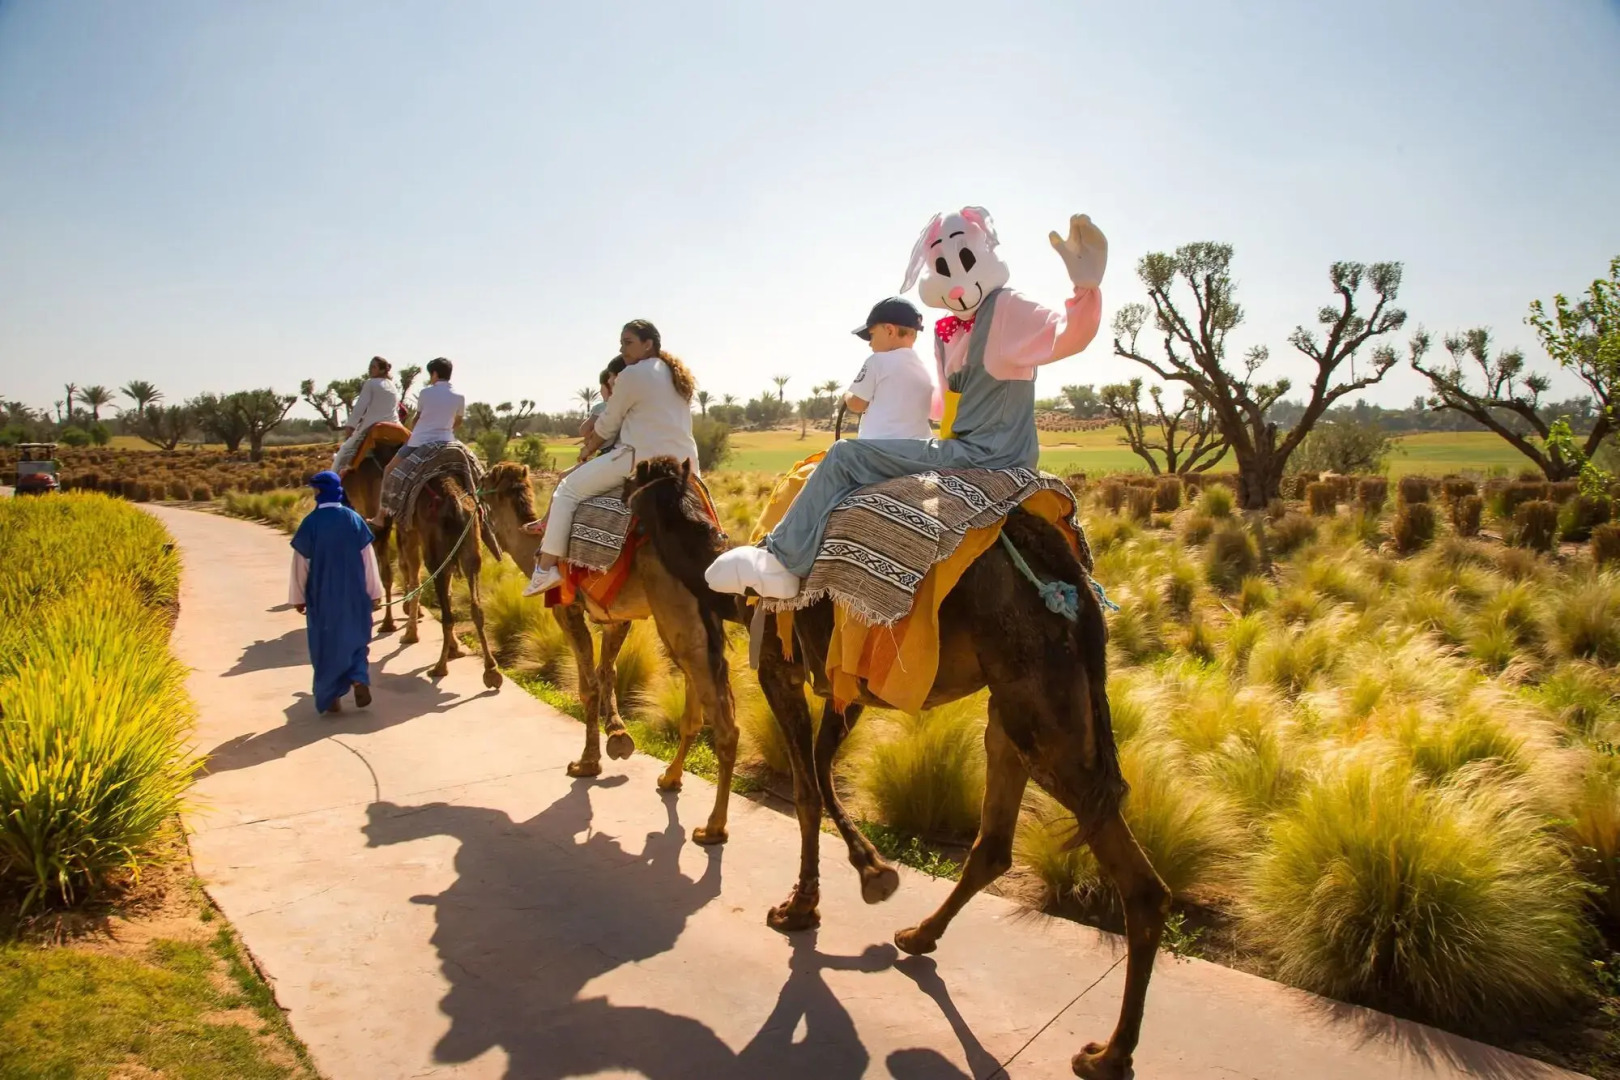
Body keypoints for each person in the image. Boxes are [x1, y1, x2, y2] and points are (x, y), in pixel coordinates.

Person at [706, 207, 1107, 599]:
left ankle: (780, 561)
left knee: (845, 456)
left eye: (965, 260)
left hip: (984, 455)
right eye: (943, 270)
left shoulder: (1007, 308)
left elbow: (1067, 335)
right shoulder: (946, 333)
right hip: (965, 447)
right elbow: (941, 406)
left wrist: (1086, 289)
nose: (955, 285)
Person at [523, 320, 700, 597]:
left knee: (566, 491)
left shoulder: (632, 374)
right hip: (686, 464)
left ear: (647, 344)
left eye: (628, 342)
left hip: (639, 459)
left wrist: (587, 450)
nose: (622, 348)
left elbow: (607, 425)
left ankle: (545, 569)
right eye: (622, 343)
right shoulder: (675, 375)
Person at [289, 471, 384, 715]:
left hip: (323, 597)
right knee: (357, 639)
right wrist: (375, 592)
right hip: (355, 596)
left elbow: (301, 564)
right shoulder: (353, 519)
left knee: (326, 644)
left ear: (319, 492)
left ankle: (331, 696)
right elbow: (368, 560)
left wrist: (298, 597)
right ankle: (359, 677)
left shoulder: (311, 523)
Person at [367, 357, 465, 532]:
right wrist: (445, 428)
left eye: (431, 374)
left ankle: (381, 516)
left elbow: (418, 418)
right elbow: (458, 421)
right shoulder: (459, 396)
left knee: (389, 470)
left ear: (434, 374)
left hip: (420, 442)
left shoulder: (426, 393)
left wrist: (415, 427)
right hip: (448, 442)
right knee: (472, 471)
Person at [842, 297, 935, 440]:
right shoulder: (924, 369)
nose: (870, 344)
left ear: (890, 331)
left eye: (871, 335)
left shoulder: (877, 361)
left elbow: (856, 404)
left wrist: (847, 395)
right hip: (918, 452)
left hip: (879, 452)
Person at [332, 356, 401, 472]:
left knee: (343, 450)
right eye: (370, 367)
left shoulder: (370, 383)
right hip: (395, 427)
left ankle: (332, 483)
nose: (370, 369)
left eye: (373, 367)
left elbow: (360, 406)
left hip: (372, 427)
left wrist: (351, 426)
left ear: (382, 370)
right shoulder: (392, 385)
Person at [574, 356, 627, 466]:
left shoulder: (603, 407)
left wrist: (589, 442)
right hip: (620, 454)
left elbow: (584, 430)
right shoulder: (627, 404)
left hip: (609, 455)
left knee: (564, 477)